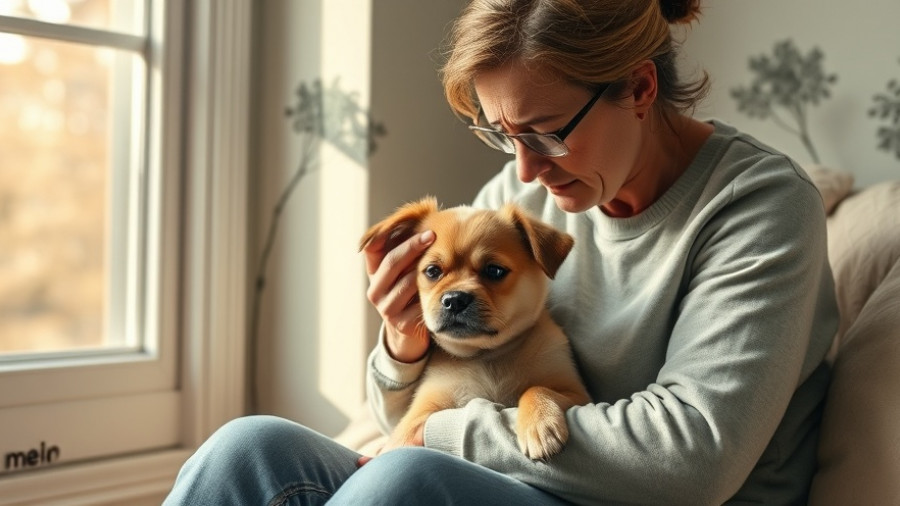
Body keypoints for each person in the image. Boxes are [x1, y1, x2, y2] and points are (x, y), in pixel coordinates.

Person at [163, 0, 838, 504]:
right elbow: (408, 416)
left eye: (544, 134)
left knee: (404, 481)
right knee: (248, 448)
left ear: (638, 88)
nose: (523, 170)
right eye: (501, 136)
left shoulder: (758, 205)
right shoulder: (529, 197)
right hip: (526, 478)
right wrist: (403, 346)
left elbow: (693, 461)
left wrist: (443, 435)